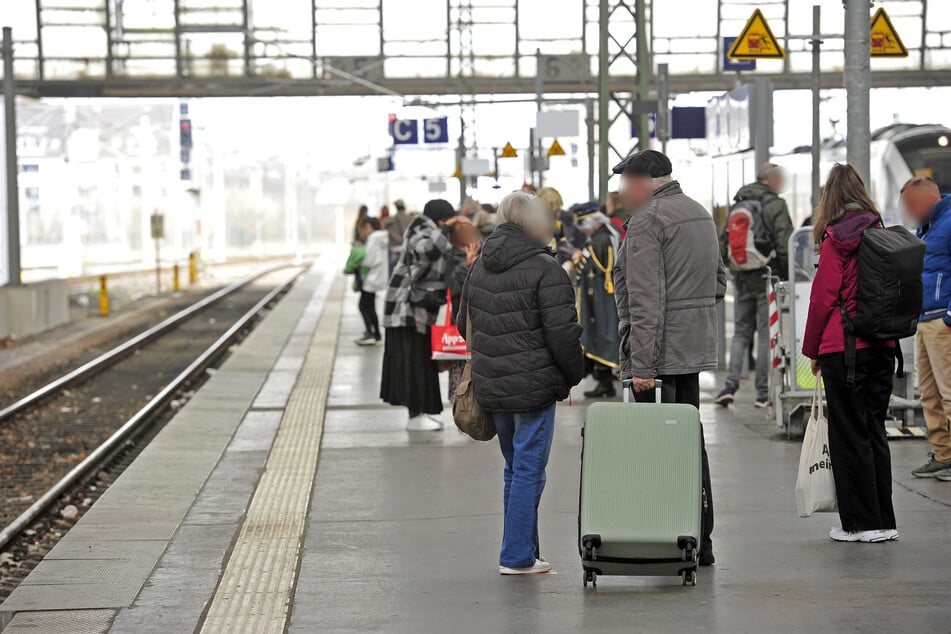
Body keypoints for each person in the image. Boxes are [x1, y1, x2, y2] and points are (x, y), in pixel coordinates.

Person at [459, 191, 584, 575]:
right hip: (533, 388)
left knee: (515, 469)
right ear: (534, 224)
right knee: (529, 469)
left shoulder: (480, 266)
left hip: (493, 385)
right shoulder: (547, 270)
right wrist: (572, 376)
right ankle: (516, 557)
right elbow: (563, 336)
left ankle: (526, 552)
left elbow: (465, 320)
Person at [613, 149, 725, 567]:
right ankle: (701, 539)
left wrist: (641, 365)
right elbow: (718, 282)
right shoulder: (698, 213)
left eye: (626, 181)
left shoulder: (647, 221)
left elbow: (644, 299)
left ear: (644, 181)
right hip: (691, 351)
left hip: (657, 357)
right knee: (688, 444)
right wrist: (692, 321)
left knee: (657, 452)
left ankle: (663, 537)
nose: (623, 190)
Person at [801, 163, 898, 543]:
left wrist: (812, 350)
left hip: (845, 349)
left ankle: (859, 524)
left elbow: (823, 298)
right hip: (883, 346)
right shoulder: (881, 232)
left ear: (830, 197)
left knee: (848, 435)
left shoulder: (835, 239)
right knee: (874, 431)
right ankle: (884, 520)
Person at [715, 162, 794, 408]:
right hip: (766, 276)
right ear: (771, 180)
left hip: (740, 277)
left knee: (740, 333)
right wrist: (786, 274)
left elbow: (724, 241)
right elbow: (784, 242)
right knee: (764, 335)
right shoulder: (775, 204)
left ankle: (729, 386)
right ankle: (761, 393)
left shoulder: (739, 203)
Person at [380, 199, 456, 431]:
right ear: (441, 220)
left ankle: (419, 414)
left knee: (419, 360)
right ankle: (415, 416)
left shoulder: (427, 229)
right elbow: (427, 251)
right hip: (406, 309)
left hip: (415, 308)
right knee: (413, 361)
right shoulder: (420, 229)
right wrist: (444, 231)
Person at [901, 176, 951, 480]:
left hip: (941, 322)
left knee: (948, 393)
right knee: (929, 395)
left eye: (911, 204)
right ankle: (943, 455)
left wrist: (949, 316)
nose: (908, 211)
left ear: (929, 198)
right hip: (925, 320)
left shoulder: (948, 223)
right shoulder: (929, 226)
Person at [572, 203, 621, 398]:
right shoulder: (610, 234)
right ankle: (603, 380)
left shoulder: (596, 242)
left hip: (599, 297)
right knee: (604, 334)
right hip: (606, 295)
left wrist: (577, 258)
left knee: (601, 334)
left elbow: (587, 266)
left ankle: (603, 380)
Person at [354, 217, 387, 345]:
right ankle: (376, 334)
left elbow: (369, 260)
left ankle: (371, 333)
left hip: (371, 277)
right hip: (377, 276)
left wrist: (358, 254)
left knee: (363, 306)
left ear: (367, 226)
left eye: (361, 230)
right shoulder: (381, 237)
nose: (361, 234)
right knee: (370, 306)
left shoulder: (374, 238)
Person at [536, 186, 576, 265]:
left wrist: (573, 252)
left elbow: (563, 244)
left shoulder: (557, 225)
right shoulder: (536, 226)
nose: (558, 211)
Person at [383, 199, 412, 268]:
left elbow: (382, 224)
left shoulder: (393, 218)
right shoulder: (410, 218)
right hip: (407, 247)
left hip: (395, 248)